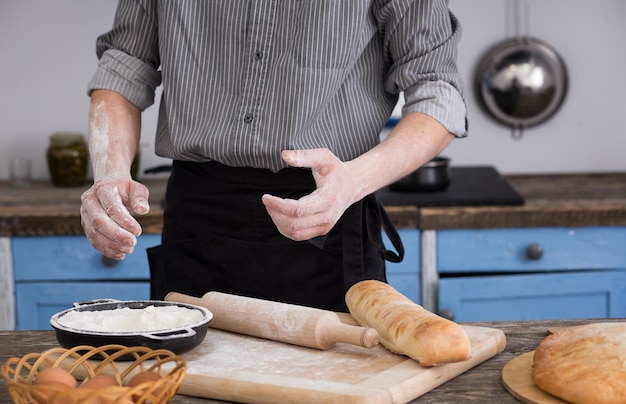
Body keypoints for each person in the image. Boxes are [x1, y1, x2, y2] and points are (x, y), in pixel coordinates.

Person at [80, 0, 468, 312]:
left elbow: (437, 90)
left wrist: (352, 182)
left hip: (328, 211)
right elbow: (125, 66)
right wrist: (110, 173)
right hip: (199, 219)